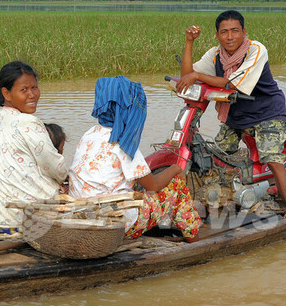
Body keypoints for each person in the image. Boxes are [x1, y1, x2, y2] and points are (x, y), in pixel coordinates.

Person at [177, 9, 286, 215]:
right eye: (224, 32)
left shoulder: (256, 50)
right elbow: (187, 75)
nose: (230, 36)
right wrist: (189, 42)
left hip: (267, 113)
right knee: (216, 154)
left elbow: (232, 83)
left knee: (272, 157)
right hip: (237, 115)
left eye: (235, 31)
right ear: (217, 35)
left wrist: (197, 75)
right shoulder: (215, 54)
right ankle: (225, 197)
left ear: (244, 31)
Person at [69, 76, 201, 242]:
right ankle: (193, 239)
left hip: (80, 214)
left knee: (137, 185)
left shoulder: (89, 135)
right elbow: (153, 184)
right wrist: (175, 169)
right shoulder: (123, 144)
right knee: (177, 186)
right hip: (116, 224)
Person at [0, 61, 67, 236]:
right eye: (24, 90)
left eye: (34, 88)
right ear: (6, 93)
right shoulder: (28, 122)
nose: (32, 95)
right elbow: (56, 168)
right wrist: (66, 181)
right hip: (21, 223)